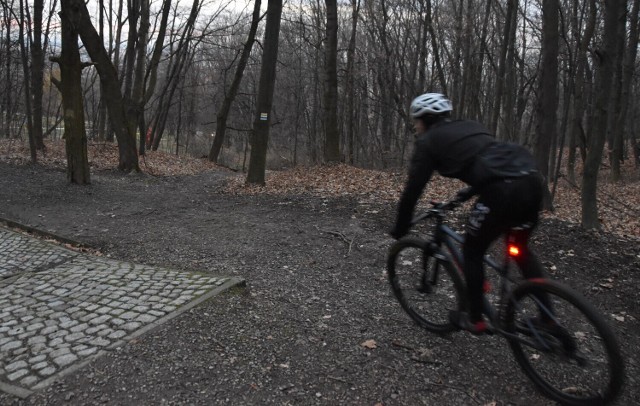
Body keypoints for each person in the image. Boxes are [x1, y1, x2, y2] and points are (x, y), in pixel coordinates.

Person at [390, 92, 547, 335]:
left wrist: (401, 227)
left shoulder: (429, 142)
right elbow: (491, 162)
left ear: (425, 119)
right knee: (521, 250)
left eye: (416, 121)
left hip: (503, 193)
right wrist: (466, 193)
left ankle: (475, 318)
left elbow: (412, 191)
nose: (416, 126)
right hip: (532, 182)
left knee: (472, 251)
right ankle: (548, 317)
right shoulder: (470, 126)